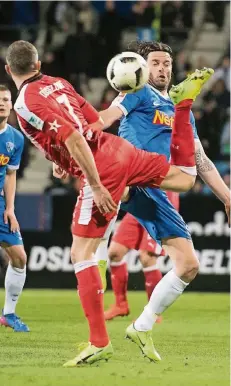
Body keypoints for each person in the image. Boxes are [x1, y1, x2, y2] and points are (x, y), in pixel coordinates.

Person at [6, 40, 211, 366]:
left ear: (8, 70)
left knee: (81, 253)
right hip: (121, 152)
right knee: (185, 180)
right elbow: (91, 121)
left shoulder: (24, 102)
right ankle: (138, 325)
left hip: (103, 166)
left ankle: (99, 342)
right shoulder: (59, 83)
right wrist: (60, 155)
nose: (162, 69)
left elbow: (75, 137)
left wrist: (97, 184)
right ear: (39, 64)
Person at [99, 41, 230, 362]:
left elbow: (201, 160)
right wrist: (76, 137)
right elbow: (108, 116)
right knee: (108, 246)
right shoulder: (137, 92)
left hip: (158, 190)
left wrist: (227, 197)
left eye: (167, 63)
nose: (163, 68)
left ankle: (141, 326)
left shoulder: (180, 109)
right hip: (134, 177)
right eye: (156, 63)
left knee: (188, 266)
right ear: (142, 68)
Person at [104, 191, 179, 321]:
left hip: (160, 204)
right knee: (115, 253)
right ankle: (120, 305)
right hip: (138, 201)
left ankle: (153, 312)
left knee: (147, 257)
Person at [0, 85, 29, 332]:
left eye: (6, 100)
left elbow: (10, 175)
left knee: (19, 258)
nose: (2, 103)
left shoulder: (15, 138)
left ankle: (8, 314)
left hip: (0, 205)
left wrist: (10, 209)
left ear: (11, 105)